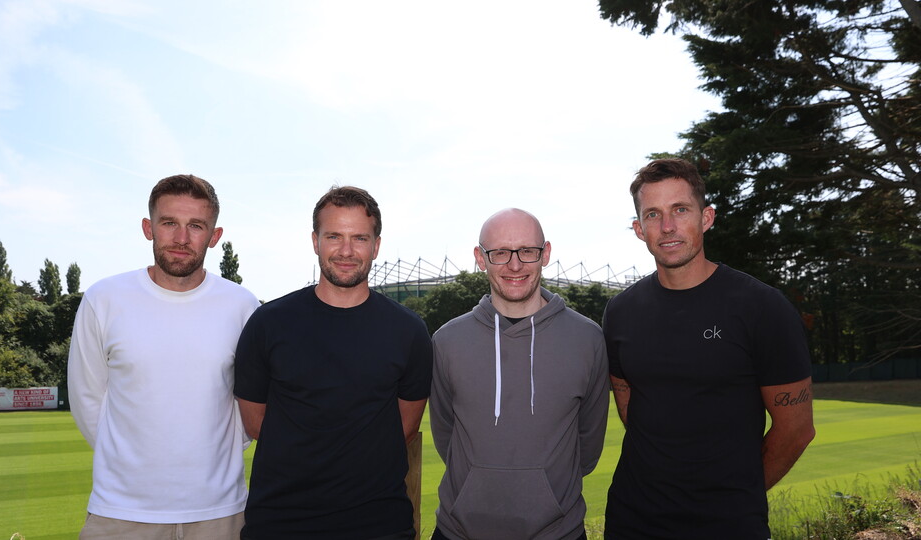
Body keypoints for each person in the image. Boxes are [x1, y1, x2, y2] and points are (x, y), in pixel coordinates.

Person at [602, 158, 816, 539]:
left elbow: (796, 430)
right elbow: (628, 406)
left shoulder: (761, 307)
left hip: (729, 526)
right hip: (632, 521)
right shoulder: (620, 311)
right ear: (639, 229)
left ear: (707, 217)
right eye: (653, 214)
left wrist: (734, 498)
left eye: (680, 210)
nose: (667, 227)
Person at [68, 174, 261, 539]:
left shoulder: (243, 305)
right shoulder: (104, 298)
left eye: (196, 226)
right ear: (148, 227)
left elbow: (248, 406)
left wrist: (209, 461)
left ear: (215, 236)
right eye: (169, 223)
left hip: (220, 513)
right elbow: (87, 400)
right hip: (121, 513)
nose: (182, 238)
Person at [234, 186, 432, 540]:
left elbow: (403, 426)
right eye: (333, 236)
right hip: (280, 526)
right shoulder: (268, 323)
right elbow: (255, 421)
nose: (346, 251)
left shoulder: (409, 331)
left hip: (379, 526)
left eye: (359, 238)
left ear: (376, 245)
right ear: (315, 241)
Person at [430, 208, 610, 540]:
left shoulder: (587, 338)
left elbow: (588, 444)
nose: (515, 265)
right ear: (480, 259)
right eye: (500, 253)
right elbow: (446, 435)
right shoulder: (446, 341)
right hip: (459, 533)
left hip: (559, 534)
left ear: (546, 254)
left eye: (527, 251)